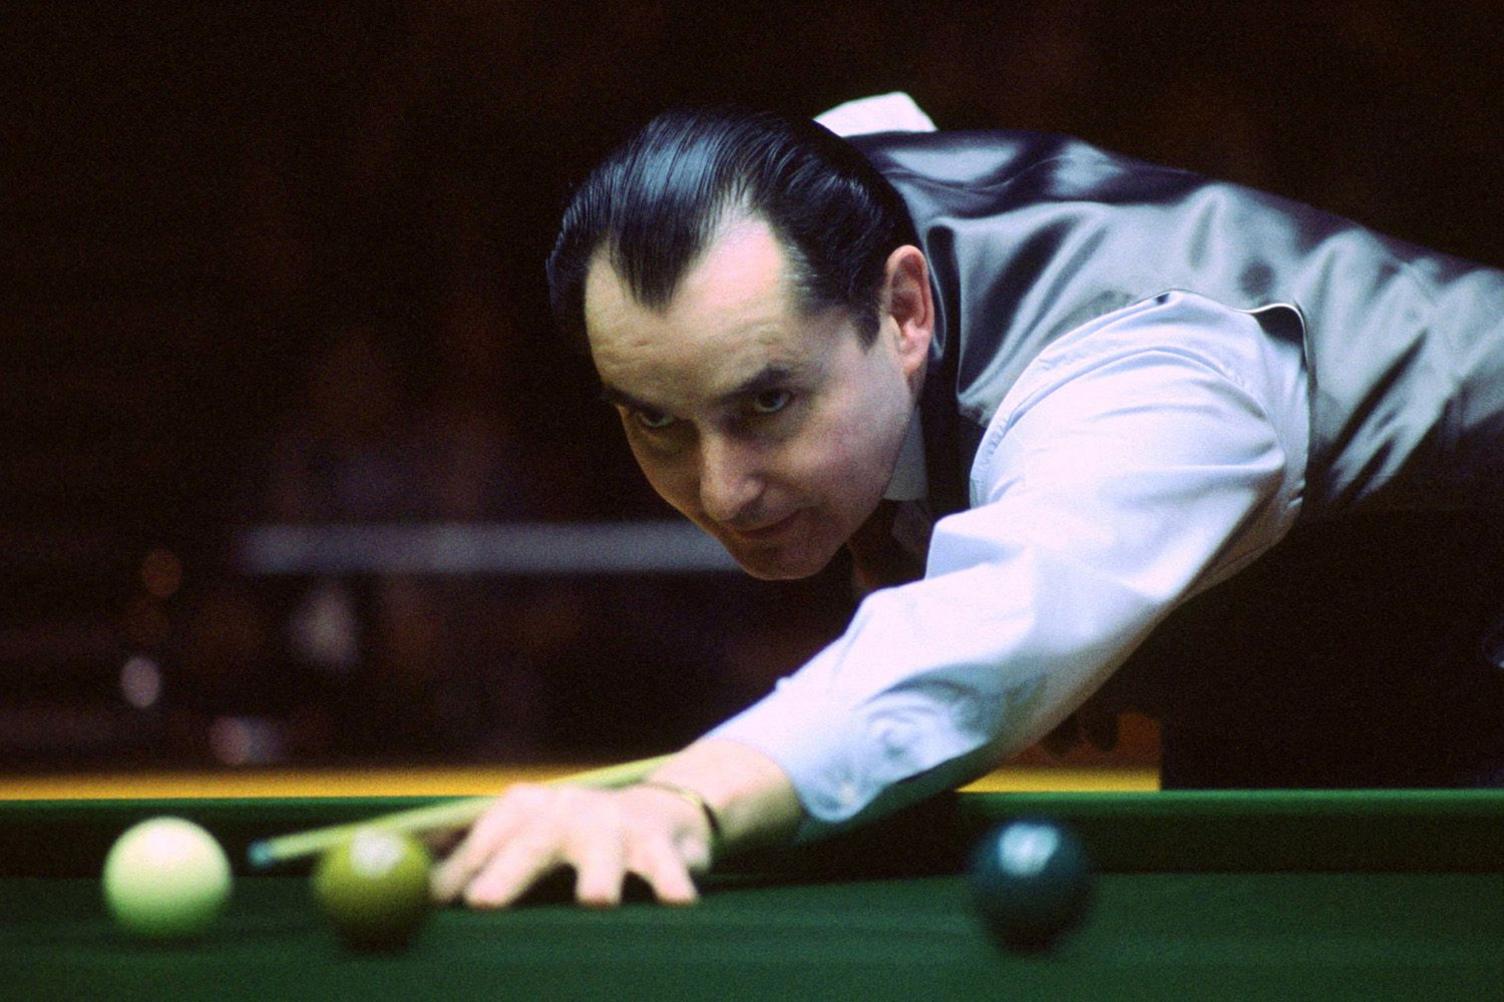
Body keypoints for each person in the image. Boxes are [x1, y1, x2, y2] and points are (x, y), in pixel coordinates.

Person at [431, 95, 1504, 909]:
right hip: (1302, 703)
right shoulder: (826, 208)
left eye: (766, 402)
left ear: (904, 312)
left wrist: (687, 797)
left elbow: (995, 633)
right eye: (656, 421)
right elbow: (876, 127)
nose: (721, 490)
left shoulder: (1143, 377)